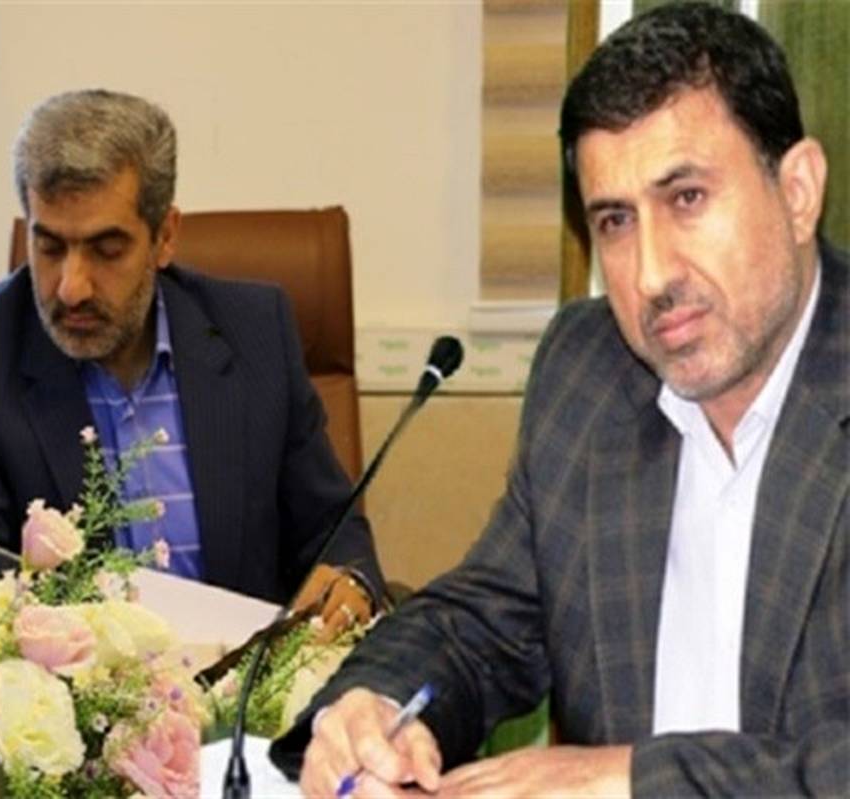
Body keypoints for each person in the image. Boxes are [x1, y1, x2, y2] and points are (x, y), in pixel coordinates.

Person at [279, 4, 846, 796]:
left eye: (687, 198)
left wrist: (631, 780)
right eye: (615, 220)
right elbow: (481, 624)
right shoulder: (589, 372)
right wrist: (376, 705)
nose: (652, 274)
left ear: (798, 191)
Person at [0, 89, 385, 613]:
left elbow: (333, 531)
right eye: (49, 247)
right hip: (71, 666)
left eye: (106, 250)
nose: (71, 287)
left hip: (244, 662)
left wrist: (350, 581)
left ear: (164, 237)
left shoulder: (255, 332)